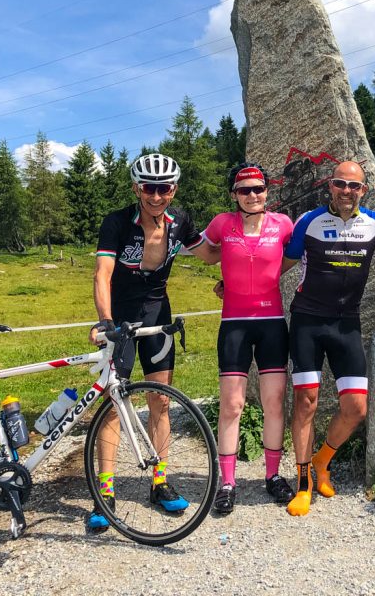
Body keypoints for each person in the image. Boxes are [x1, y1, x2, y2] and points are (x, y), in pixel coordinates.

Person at [282, 160, 375, 516]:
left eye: (354, 186)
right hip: (307, 321)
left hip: (347, 324)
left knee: (356, 408)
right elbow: (282, 263)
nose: (346, 191)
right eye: (340, 184)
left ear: (364, 190)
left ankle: (322, 461)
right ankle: (302, 484)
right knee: (306, 402)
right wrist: (240, 283)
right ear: (329, 187)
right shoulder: (309, 221)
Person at [87, 152, 218, 531]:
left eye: (163, 188)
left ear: (173, 189)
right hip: (121, 316)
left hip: (157, 313)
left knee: (160, 401)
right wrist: (105, 321)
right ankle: (106, 490)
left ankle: (159, 482)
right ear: (136, 188)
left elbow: (207, 254)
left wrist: (241, 241)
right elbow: (102, 274)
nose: (156, 196)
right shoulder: (116, 222)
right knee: (113, 405)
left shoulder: (181, 222)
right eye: (149, 188)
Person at [201, 163, 298, 514]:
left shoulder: (283, 224)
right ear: (234, 195)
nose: (253, 195)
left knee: (274, 403)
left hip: (272, 322)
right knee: (232, 405)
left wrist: (268, 277)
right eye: (245, 190)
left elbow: (293, 256)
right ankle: (227, 482)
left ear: (267, 192)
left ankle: (272, 476)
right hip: (235, 324)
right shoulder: (221, 224)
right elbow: (203, 251)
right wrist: (228, 279)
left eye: (259, 189)